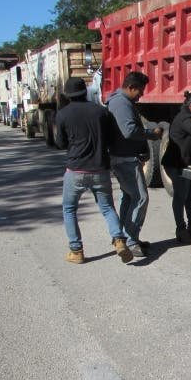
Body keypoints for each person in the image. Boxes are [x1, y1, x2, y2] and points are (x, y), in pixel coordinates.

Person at [55, 77, 133, 265]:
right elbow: (113, 138)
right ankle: (119, 239)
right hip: (100, 168)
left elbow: (60, 143)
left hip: (76, 169)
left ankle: (76, 250)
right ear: (86, 91)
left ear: (67, 94)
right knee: (107, 207)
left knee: (69, 208)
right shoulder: (101, 112)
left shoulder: (62, 114)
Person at [105, 71, 162, 259]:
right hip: (124, 159)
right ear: (130, 87)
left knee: (129, 198)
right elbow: (129, 131)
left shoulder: (122, 101)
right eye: (140, 91)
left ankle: (125, 237)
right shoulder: (121, 103)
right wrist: (150, 134)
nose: (141, 95)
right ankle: (130, 240)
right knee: (140, 198)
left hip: (125, 157)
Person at [161, 91, 191, 243]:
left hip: (188, 163)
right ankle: (181, 228)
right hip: (176, 163)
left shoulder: (189, 116)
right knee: (181, 196)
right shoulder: (185, 117)